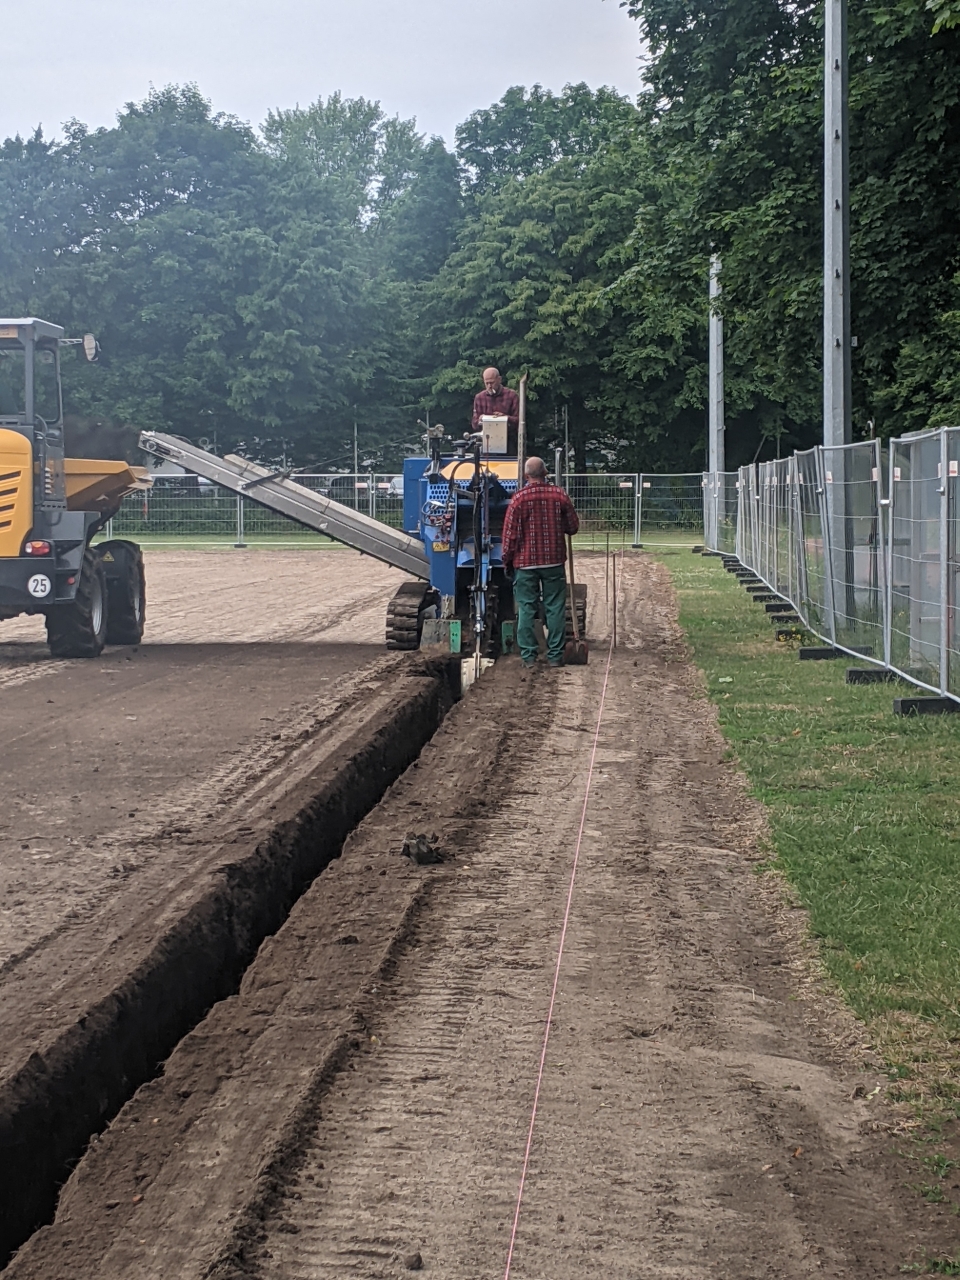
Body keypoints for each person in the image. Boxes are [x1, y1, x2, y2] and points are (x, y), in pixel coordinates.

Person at [501, 456, 579, 669]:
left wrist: (507, 561)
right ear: (546, 473)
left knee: (526, 608)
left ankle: (529, 657)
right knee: (554, 607)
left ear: (526, 475)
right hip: (553, 562)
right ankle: (555, 656)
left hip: (525, 564)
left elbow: (510, 536)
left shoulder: (518, 499)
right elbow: (573, 527)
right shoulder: (559, 495)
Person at [472, 367, 519, 451]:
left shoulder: (511, 396)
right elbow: (474, 424)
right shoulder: (479, 397)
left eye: (492, 383)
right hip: (486, 444)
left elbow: (519, 421)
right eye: (487, 383)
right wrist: (480, 420)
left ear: (499, 380)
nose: (489, 386)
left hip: (509, 443)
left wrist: (505, 418)